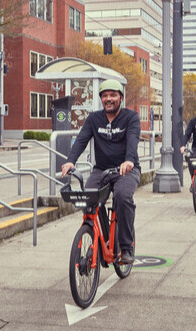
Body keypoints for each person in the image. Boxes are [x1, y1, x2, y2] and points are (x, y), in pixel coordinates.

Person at [61, 79, 141, 264]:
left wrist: (129, 160)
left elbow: (132, 139)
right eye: (105, 96)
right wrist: (70, 161)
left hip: (126, 170)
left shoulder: (131, 117)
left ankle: (126, 246)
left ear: (120, 97)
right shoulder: (94, 119)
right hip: (101, 170)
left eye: (113, 95)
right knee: (89, 200)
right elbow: (81, 140)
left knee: (122, 197)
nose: (109, 99)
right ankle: (101, 237)